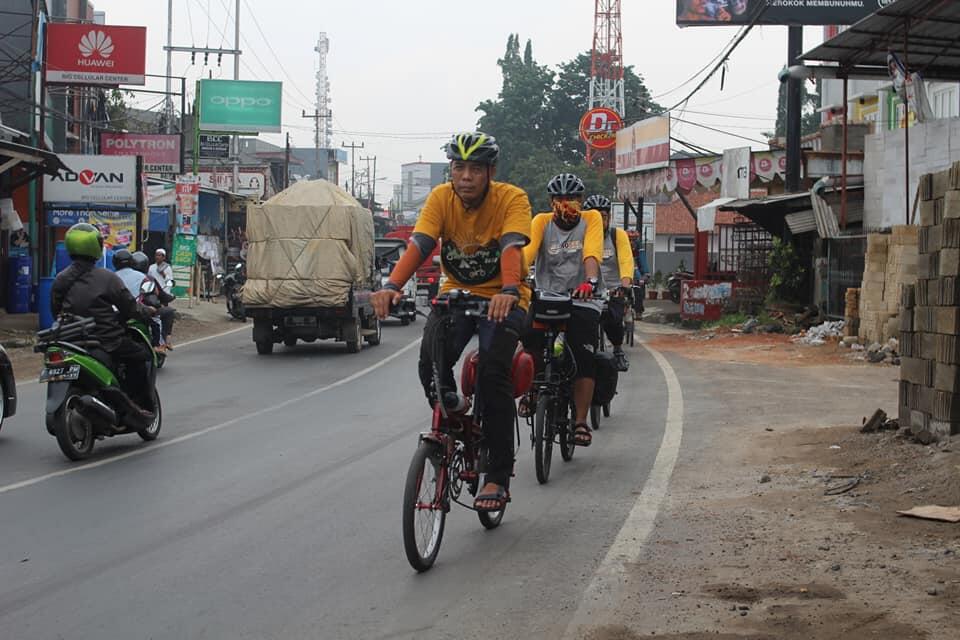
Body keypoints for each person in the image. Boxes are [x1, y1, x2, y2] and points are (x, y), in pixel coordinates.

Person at [371, 132, 530, 513]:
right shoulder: (441, 198)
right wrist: (393, 286)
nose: (466, 177)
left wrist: (508, 289)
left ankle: (497, 473)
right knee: (430, 362)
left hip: (505, 298)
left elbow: (511, 245)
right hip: (457, 293)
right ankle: (455, 416)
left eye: (476, 169)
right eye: (459, 168)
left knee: (493, 374)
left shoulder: (512, 198)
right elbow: (421, 244)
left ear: (490, 171)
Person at [521, 173, 603, 447]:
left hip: (582, 298)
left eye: (572, 198)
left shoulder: (592, 219)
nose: (565, 203)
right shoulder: (541, 222)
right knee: (528, 338)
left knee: (583, 355)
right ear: (551, 201)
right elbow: (528, 252)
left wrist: (589, 281)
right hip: (546, 296)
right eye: (559, 198)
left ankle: (580, 420)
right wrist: (513, 275)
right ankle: (531, 393)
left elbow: (591, 252)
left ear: (581, 200)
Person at [51, 223, 157, 422]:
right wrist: (147, 311)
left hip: (70, 341)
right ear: (95, 247)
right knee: (141, 356)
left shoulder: (60, 279)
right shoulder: (107, 278)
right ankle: (138, 405)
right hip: (106, 340)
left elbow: (55, 310)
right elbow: (130, 308)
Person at [584, 194, 635, 372]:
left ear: (609, 218)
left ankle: (618, 349)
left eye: (603, 217)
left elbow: (626, 261)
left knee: (613, 321)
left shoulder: (616, 235)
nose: (599, 221)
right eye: (594, 216)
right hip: (586, 290)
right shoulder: (581, 235)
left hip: (613, 289)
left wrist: (625, 285)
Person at [134, 251, 176, 350]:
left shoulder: (167, 268)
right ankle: (161, 344)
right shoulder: (149, 276)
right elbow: (159, 293)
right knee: (162, 316)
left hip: (126, 307)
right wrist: (170, 297)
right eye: (156, 255)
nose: (158, 257)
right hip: (143, 307)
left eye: (160, 255)